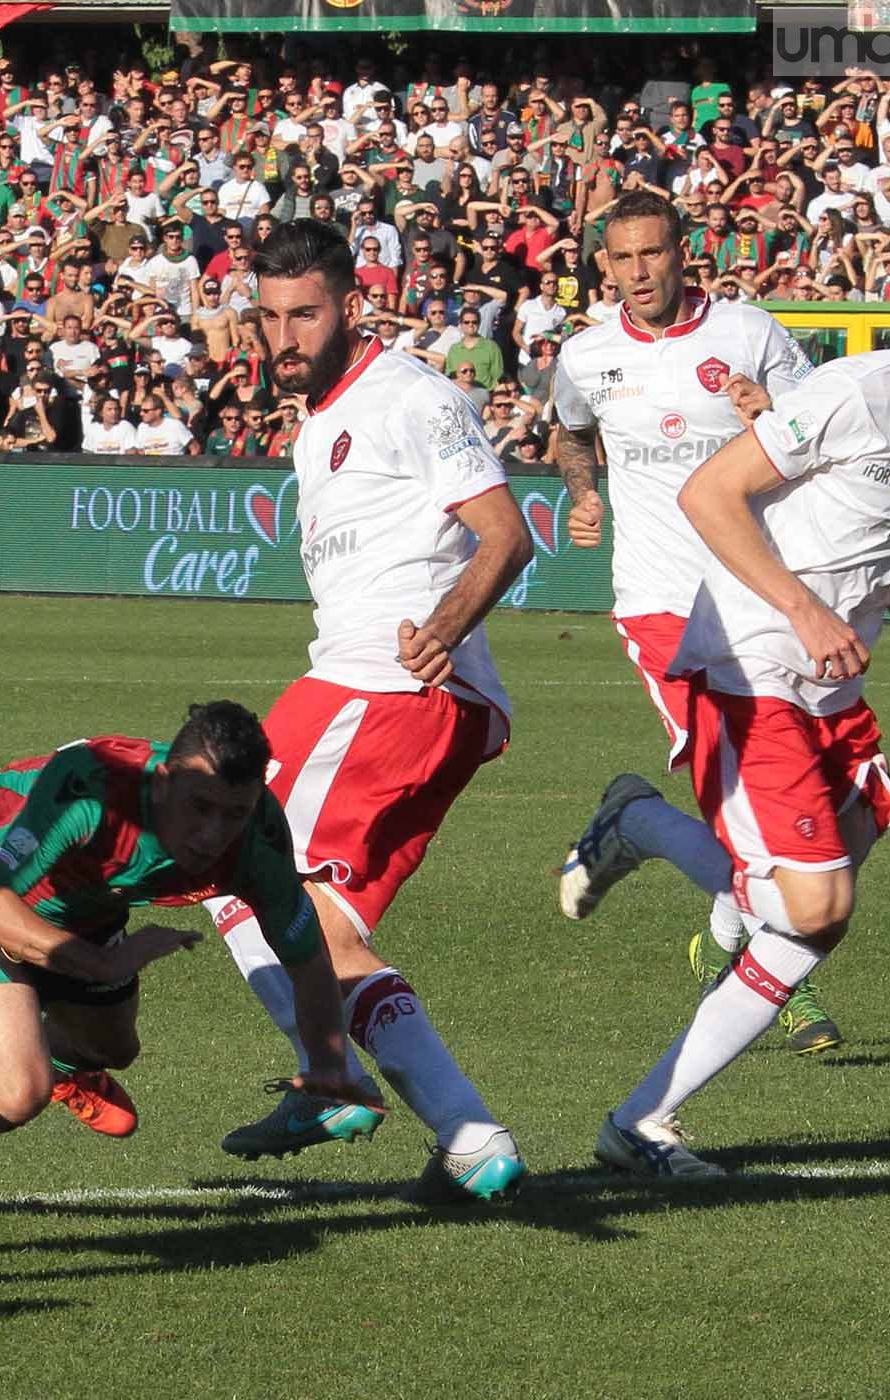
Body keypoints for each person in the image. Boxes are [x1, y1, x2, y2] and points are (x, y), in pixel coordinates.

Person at [558, 230, 890, 1176]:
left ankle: (638, 1123)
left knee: (823, 903)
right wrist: (805, 609)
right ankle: (642, 827)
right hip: (750, 658)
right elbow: (710, 493)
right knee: (812, 900)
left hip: (831, 681)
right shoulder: (857, 391)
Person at [204, 219, 534, 1203]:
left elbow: (506, 536)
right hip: (392, 695)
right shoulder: (319, 423)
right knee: (321, 927)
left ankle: (329, 1074)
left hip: (386, 687)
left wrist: (441, 625)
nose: (284, 336)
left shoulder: (412, 396)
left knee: (227, 861)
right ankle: (471, 1137)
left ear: (351, 305)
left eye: (304, 313)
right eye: (268, 317)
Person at [0, 702, 376, 1189]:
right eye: (200, 807)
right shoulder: (91, 796)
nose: (212, 835)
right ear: (164, 780)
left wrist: (327, 1064)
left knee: (115, 1049)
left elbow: (305, 954)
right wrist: (98, 962)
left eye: (234, 814)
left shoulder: (258, 835)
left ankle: (70, 1069)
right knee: (16, 1095)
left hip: (82, 907)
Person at [549, 189, 844, 1056]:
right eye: (621, 258)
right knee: (745, 796)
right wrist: (583, 493)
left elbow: (821, 436)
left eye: (652, 254)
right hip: (660, 602)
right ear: (603, 264)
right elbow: (571, 433)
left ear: (684, 252)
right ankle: (777, 969)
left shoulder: (749, 334)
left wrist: (769, 414)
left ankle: (702, 908)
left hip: (756, 592)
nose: (638, 273)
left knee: (813, 796)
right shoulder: (586, 355)